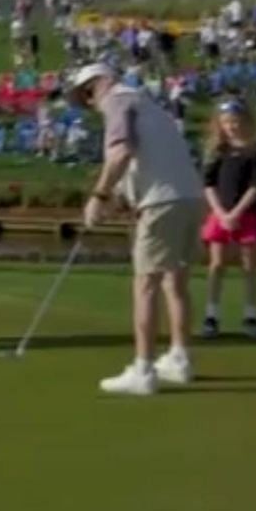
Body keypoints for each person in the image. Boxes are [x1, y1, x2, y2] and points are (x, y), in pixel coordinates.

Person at [73, 62, 207, 395]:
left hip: (163, 201)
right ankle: (179, 358)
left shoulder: (117, 101)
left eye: (88, 93)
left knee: (145, 283)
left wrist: (98, 196)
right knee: (175, 280)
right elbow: (143, 162)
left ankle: (143, 370)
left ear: (102, 83)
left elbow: (120, 152)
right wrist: (117, 199)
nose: (90, 103)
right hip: (190, 198)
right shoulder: (147, 104)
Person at [200, 99, 256, 339]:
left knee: (249, 266)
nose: (232, 126)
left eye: (236, 121)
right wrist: (221, 213)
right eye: (227, 122)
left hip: (246, 214)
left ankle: (251, 315)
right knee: (217, 265)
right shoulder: (218, 151)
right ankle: (211, 315)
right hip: (220, 214)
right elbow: (208, 184)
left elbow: (255, 187)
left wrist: (236, 213)